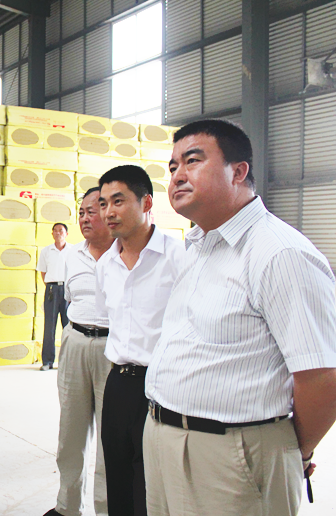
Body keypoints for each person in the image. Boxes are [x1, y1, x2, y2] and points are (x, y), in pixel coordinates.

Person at [143, 120, 336, 516]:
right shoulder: (201, 245)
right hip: (164, 438)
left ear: (238, 171)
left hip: (233, 454)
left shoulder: (279, 253)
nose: (177, 175)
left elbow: (321, 377)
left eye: (192, 161)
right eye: (173, 167)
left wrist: (290, 451)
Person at [95, 165, 185, 516]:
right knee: (117, 476)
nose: (108, 212)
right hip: (118, 383)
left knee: (151, 485)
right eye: (104, 203)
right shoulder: (106, 265)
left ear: (146, 202)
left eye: (118, 201)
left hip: (163, 384)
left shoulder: (179, 257)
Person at [44, 188, 114, 516]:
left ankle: (107, 507)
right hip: (75, 341)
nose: (85, 218)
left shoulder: (127, 252)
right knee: (70, 432)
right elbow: (71, 299)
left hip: (114, 348)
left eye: (92, 211)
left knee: (110, 438)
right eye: (81, 212)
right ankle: (67, 506)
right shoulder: (72, 255)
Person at [37, 223, 70, 370]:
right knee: (49, 326)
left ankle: (67, 362)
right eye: (55, 231)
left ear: (66, 234)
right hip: (51, 289)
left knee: (68, 327)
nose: (58, 233)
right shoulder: (46, 251)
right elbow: (43, 272)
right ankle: (47, 361)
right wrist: (51, 286)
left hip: (68, 290)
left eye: (61, 231)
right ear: (52, 234)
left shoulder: (73, 251)